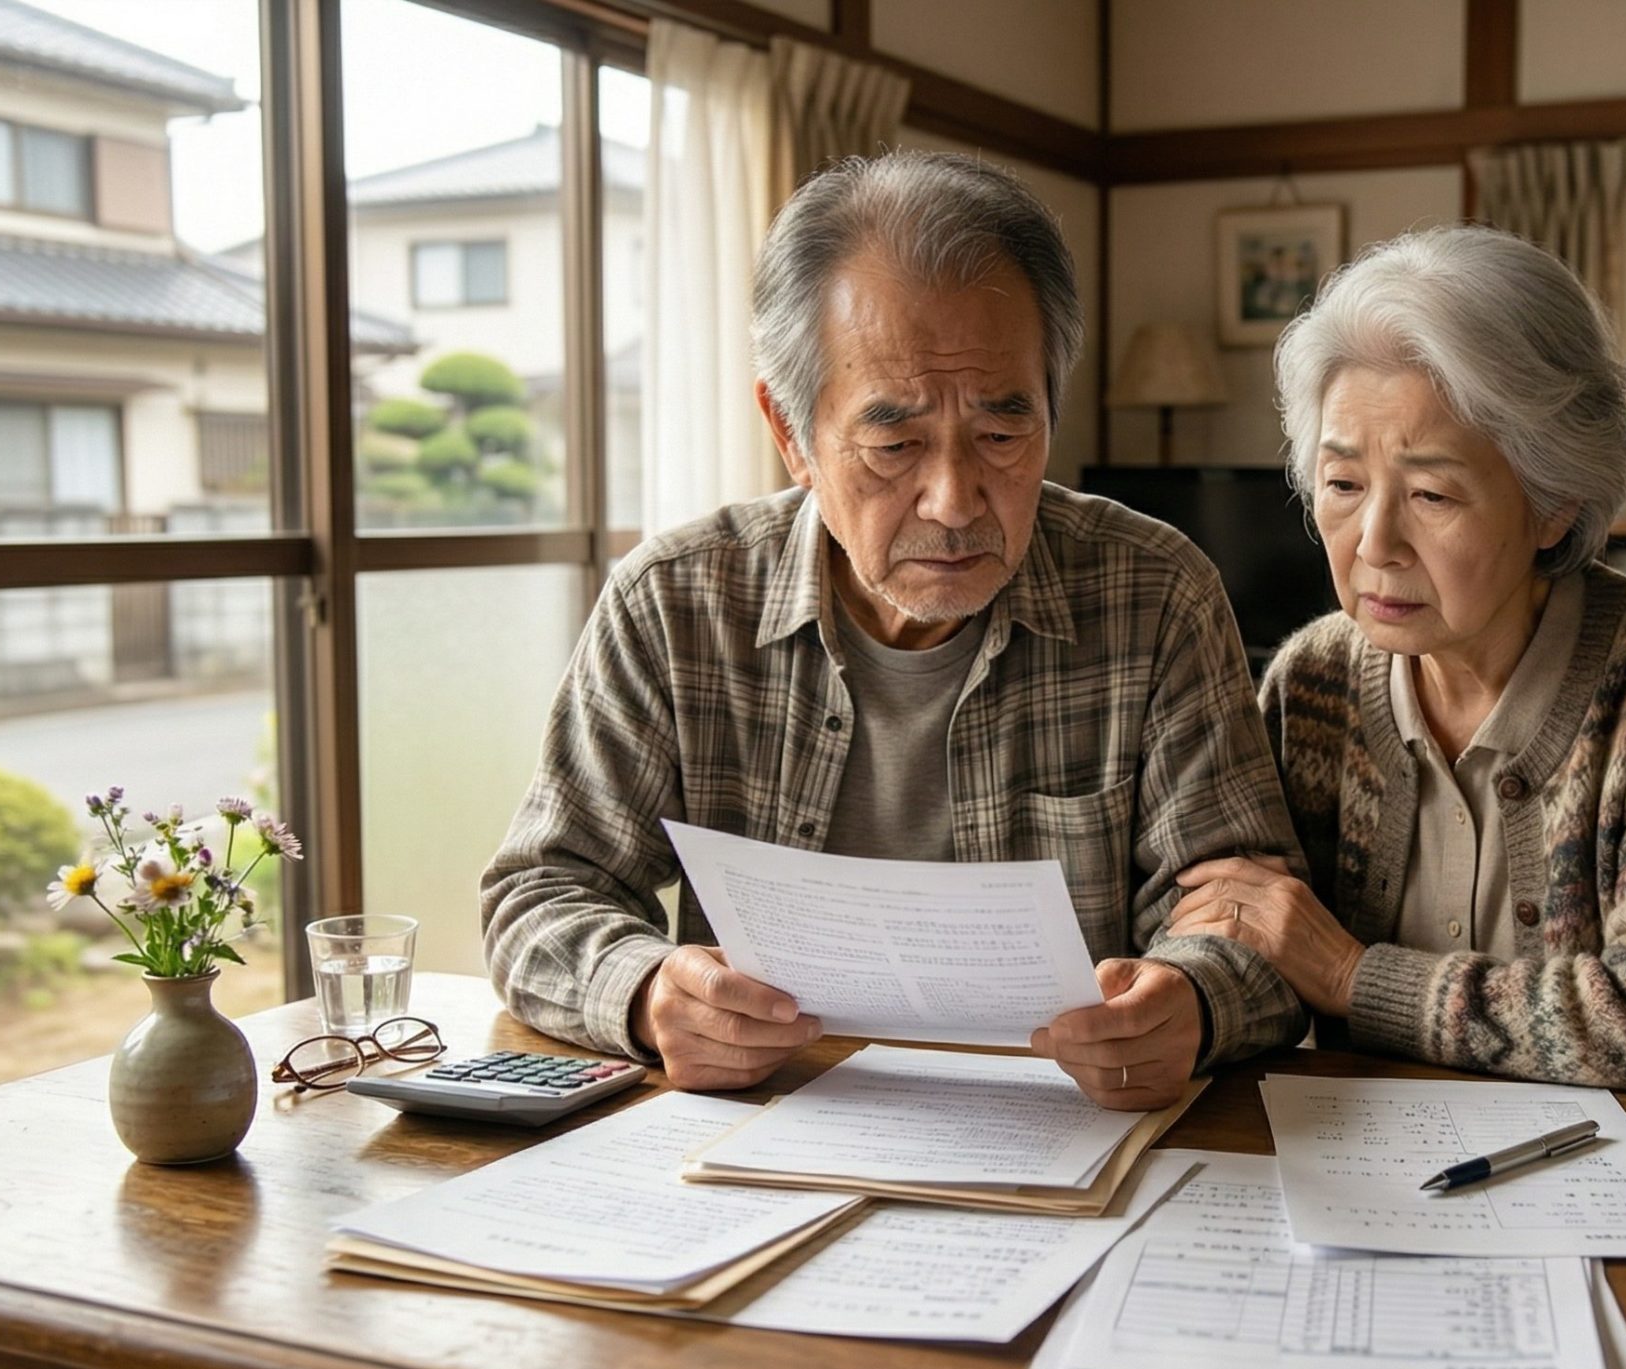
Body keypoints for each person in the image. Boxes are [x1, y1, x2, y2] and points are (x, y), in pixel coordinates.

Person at [481, 153, 1307, 1112]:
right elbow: (541, 892)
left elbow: (1247, 901)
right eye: (894, 442)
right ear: (790, 431)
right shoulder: (676, 604)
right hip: (776, 1141)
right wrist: (646, 991)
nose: (956, 502)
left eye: (1004, 434)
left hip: (1069, 1141)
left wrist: (1195, 999)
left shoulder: (1153, 594)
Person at [1165, 226, 1626, 1099]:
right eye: (1343, 484)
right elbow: (1249, 938)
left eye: (1432, 494)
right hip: (1404, 1164)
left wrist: (1356, 976)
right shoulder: (1310, 686)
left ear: (1555, 505)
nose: (1375, 544)